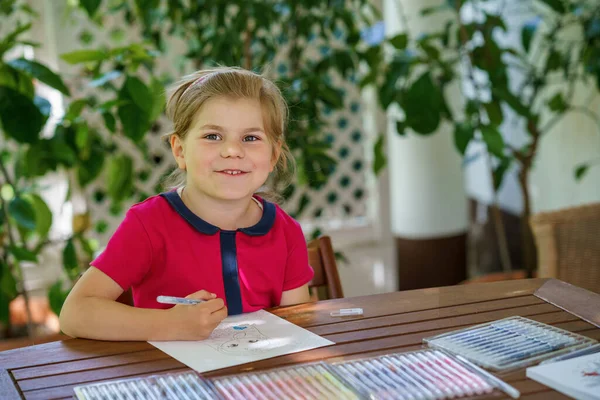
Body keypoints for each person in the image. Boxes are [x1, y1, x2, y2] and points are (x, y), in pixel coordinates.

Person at [59, 67, 314, 341]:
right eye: (212, 136)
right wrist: (169, 324)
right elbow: (75, 313)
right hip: (172, 382)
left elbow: (297, 329)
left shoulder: (286, 232)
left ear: (274, 154)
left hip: (261, 381)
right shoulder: (149, 225)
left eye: (250, 138)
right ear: (180, 151)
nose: (232, 151)